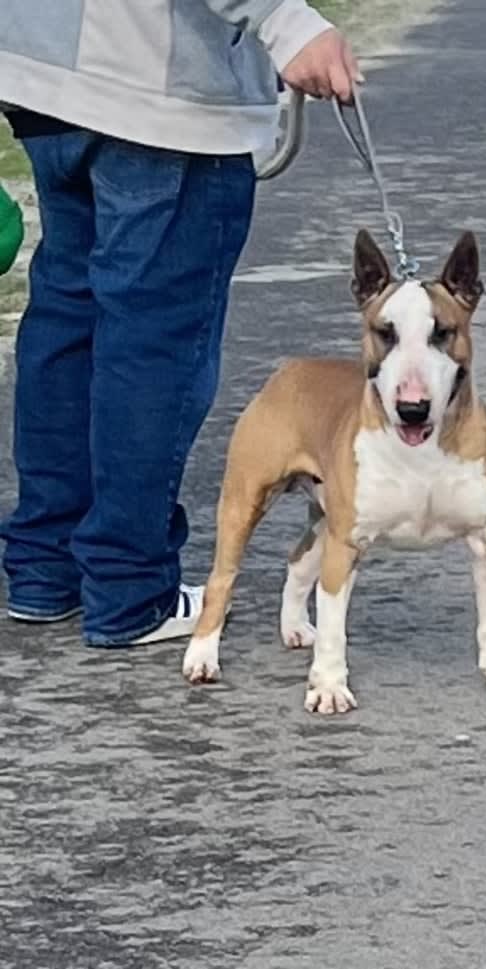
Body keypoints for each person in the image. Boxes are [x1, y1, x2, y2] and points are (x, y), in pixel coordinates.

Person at [0, 1, 360, 645]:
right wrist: (284, 20)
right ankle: (128, 587)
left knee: (68, 318)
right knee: (152, 343)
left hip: (42, 61)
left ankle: (45, 568)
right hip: (155, 77)